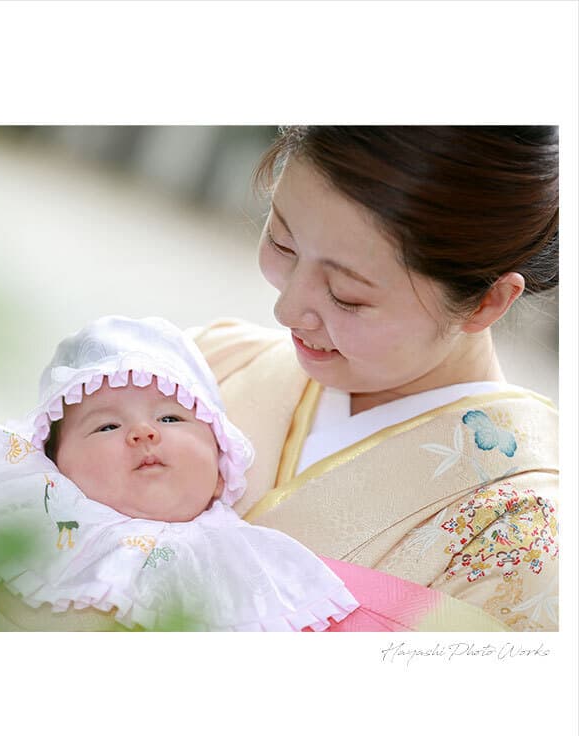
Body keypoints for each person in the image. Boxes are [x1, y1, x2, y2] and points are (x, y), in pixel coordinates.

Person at [192, 126, 559, 631]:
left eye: (347, 295)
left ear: (486, 301)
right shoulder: (209, 362)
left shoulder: (519, 542)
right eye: (282, 242)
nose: (287, 309)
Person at [0, 315, 360, 632]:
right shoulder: (31, 521)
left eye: (171, 419)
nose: (143, 433)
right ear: (54, 467)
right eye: (107, 426)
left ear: (223, 466)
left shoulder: (248, 565)